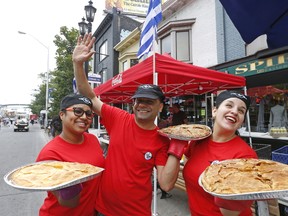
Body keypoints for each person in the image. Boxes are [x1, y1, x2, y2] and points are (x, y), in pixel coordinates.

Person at [73, 33, 184, 216]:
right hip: (102, 209)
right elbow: (90, 97)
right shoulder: (118, 117)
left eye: (149, 101)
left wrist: (178, 147)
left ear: (160, 106)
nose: (142, 105)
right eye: (139, 100)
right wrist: (78, 64)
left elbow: (165, 184)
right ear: (133, 103)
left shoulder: (161, 139)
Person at [183, 90, 258, 215]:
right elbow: (187, 169)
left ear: (242, 120)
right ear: (214, 111)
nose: (234, 111)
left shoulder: (246, 157)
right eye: (229, 105)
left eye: (241, 111)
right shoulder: (197, 141)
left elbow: (229, 213)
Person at [36, 93, 105, 216]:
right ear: (62, 115)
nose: (84, 117)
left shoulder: (93, 140)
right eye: (78, 111)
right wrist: (71, 179)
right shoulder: (50, 154)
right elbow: (69, 202)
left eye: (89, 114)